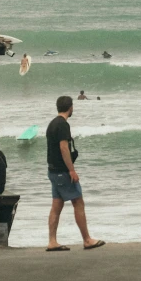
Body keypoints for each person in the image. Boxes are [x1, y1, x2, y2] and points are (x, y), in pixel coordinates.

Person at [46, 95, 105, 252]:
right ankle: (87, 239)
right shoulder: (63, 125)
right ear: (70, 107)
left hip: (52, 171)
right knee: (78, 202)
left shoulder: (52, 124)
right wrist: (71, 170)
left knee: (56, 205)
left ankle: (52, 241)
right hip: (62, 172)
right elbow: (63, 148)